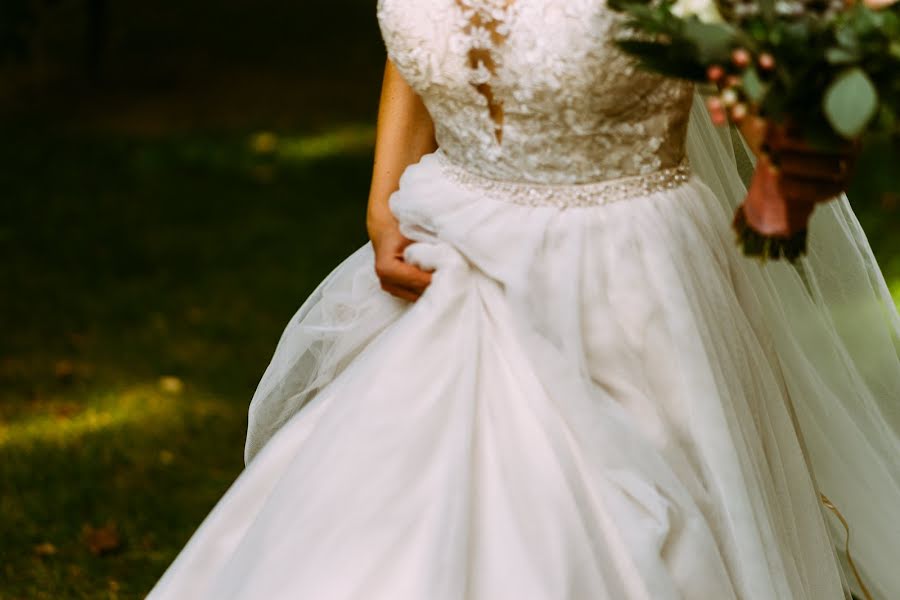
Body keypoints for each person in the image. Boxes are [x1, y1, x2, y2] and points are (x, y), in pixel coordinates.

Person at [147, 1, 900, 598]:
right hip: (448, 254)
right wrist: (384, 193)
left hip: (623, 287)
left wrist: (804, 120)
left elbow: (794, 108)